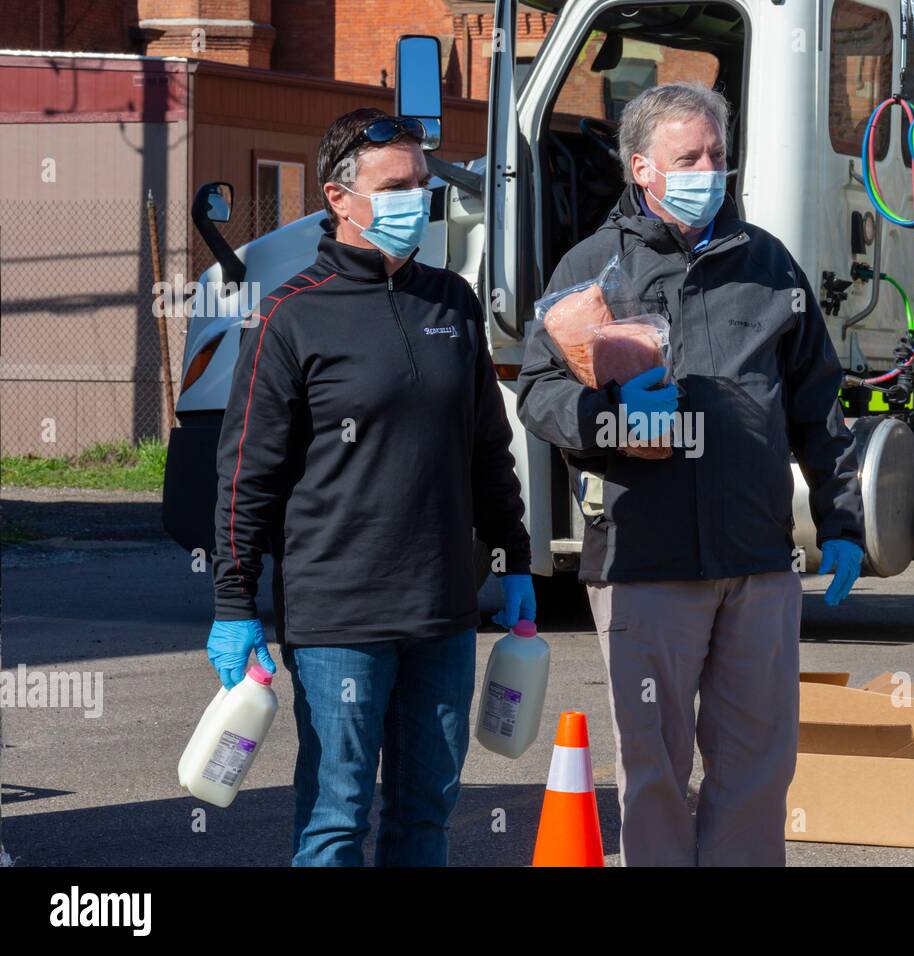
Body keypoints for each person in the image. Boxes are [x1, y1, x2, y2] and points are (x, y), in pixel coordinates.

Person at [517, 83, 866, 866]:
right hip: (645, 563)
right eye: (689, 158)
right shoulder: (591, 271)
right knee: (656, 775)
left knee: (756, 771)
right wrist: (607, 419)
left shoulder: (768, 265)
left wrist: (842, 523)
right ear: (643, 168)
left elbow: (818, 406)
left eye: (717, 155)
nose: (709, 169)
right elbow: (538, 393)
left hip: (756, 561)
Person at [206, 107, 534, 866]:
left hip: (443, 609)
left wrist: (515, 558)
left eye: (421, 183)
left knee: (426, 815)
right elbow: (244, 475)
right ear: (338, 197)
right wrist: (234, 603)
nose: (414, 198)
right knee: (337, 815)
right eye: (395, 185)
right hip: (339, 619)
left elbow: (487, 443)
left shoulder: (450, 300)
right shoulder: (291, 315)